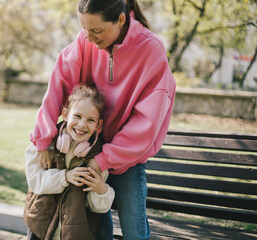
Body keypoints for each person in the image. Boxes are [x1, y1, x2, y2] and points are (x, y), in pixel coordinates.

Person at [30, 0, 176, 239]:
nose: (89, 38)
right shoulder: (84, 42)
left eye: (96, 31)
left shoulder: (151, 49)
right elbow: (57, 88)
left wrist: (104, 159)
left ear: (121, 19)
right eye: (84, 29)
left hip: (126, 158)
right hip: (85, 150)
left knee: (134, 234)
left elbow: (147, 121)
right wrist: (43, 140)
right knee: (97, 230)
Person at [24, 84, 115, 240]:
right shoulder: (44, 145)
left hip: (75, 231)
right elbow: (34, 182)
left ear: (99, 124)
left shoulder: (98, 157)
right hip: (40, 225)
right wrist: (65, 177)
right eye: (77, 116)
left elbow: (97, 208)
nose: (81, 125)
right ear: (65, 114)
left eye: (90, 120)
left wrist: (102, 191)